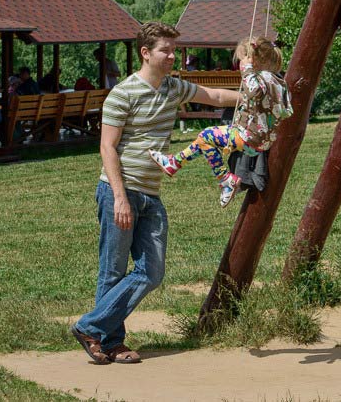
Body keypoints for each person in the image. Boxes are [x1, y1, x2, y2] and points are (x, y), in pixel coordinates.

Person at [71, 22, 240, 365]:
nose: (172, 56)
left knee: (152, 271)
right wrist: (119, 198)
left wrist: (260, 95)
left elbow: (218, 97)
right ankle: (111, 343)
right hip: (120, 191)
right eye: (166, 50)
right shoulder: (123, 94)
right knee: (113, 271)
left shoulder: (174, 88)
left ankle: (90, 327)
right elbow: (107, 147)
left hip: (151, 194)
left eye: (174, 50)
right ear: (146, 53)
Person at [149, 37, 292, 208]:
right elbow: (285, 111)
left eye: (241, 60)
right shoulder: (279, 81)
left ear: (252, 60)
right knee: (204, 140)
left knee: (206, 135)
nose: (240, 64)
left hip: (248, 137)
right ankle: (174, 163)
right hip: (261, 140)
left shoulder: (263, 78)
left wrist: (246, 70)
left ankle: (225, 179)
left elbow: (254, 92)